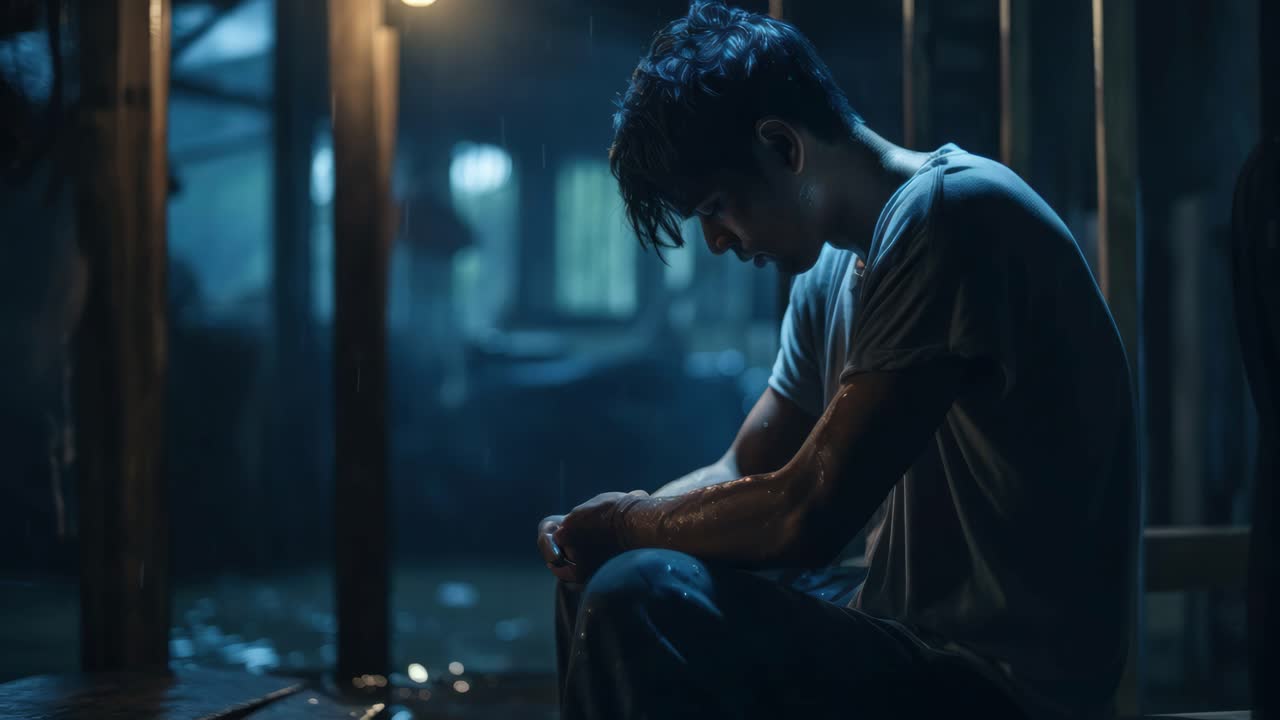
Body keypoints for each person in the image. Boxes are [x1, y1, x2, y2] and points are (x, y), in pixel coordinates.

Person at [536, 3, 1137, 719]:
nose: (719, 243)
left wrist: (630, 526)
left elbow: (808, 511)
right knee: (602, 575)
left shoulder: (950, 214)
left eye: (718, 207)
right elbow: (742, 471)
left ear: (783, 147)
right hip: (900, 635)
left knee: (638, 596)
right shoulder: (830, 275)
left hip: (1001, 685)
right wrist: (594, 529)